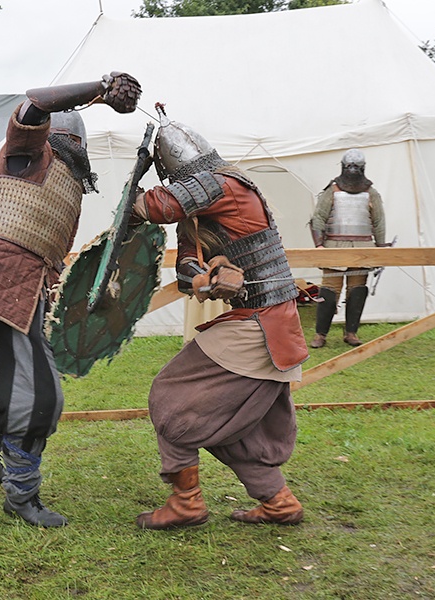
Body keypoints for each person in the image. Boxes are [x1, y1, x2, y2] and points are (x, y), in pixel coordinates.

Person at [0, 72, 141, 527]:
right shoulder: (27, 153)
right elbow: (32, 105)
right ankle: (21, 495)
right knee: (38, 394)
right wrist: (100, 88)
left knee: (5, 379)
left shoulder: (63, 175)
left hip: (27, 287)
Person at [132, 106, 309, 530]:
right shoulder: (199, 209)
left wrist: (134, 189)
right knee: (233, 421)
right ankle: (278, 502)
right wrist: (202, 281)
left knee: (172, 396)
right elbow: (187, 264)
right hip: (260, 322)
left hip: (262, 324)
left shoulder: (225, 184)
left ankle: (186, 502)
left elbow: (157, 205)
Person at [308, 149, 387, 348]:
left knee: (357, 290)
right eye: (349, 166)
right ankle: (321, 334)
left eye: (356, 167)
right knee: (329, 291)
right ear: (344, 167)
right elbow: (318, 218)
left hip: (362, 247)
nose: (352, 170)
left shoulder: (371, 193)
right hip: (334, 246)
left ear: (362, 168)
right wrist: (319, 245)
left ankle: (351, 332)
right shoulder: (332, 191)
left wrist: (379, 247)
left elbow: (378, 222)